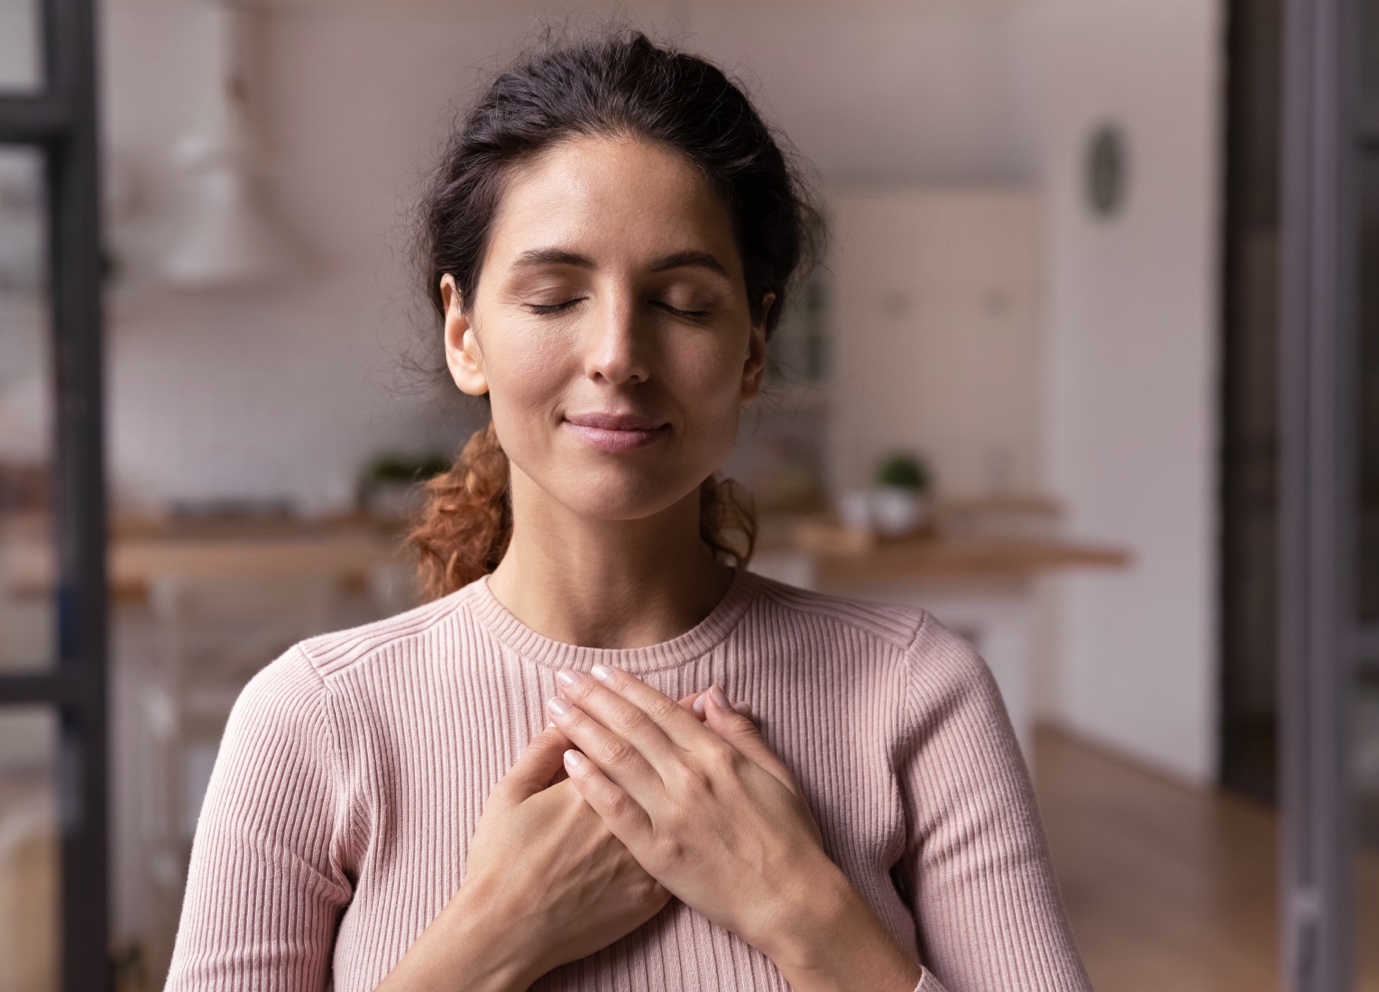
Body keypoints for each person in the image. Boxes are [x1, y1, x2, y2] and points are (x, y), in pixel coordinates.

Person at [164, 32, 1092, 992]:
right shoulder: (311, 720)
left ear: (753, 349)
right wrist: (491, 938)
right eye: (557, 296)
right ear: (464, 332)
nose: (616, 353)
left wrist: (802, 910)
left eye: (684, 304)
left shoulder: (915, 693)